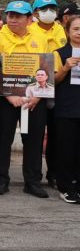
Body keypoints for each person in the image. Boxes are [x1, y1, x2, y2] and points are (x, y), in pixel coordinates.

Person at [0, 0, 56, 198]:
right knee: (3, 139)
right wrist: (9, 95)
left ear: (29, 19)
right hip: (6, 99)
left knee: (34, 140)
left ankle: (33, 182)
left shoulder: (40, 37)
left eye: (18, 16)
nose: (13, 20)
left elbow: (46, 68)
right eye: (10, 15)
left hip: (35, 98)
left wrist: (37, 95)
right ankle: (1, 180)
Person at [30, 0, 67, 187]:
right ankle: (34, 175)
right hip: (38, 86)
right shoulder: (29, 30)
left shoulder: (61, 29)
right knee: (36, 133)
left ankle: (53, 173)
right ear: (35, 12)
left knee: (57, 133)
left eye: (52, 8)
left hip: (61, 84)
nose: (49, 12)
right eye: (44, 9)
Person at [52, 14, 80, 202]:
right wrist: (65, 67)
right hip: (66, 108)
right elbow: (51, 81)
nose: (79, 32)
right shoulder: (59, 53)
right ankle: (66, 187)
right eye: (76, 29)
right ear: (68, 32)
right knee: (65, 149)